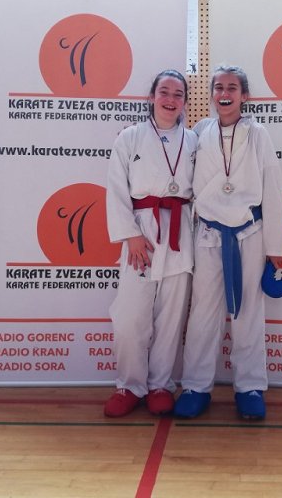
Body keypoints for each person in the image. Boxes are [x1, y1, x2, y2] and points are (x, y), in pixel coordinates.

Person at [174, 65, 282, 421]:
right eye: (219, 87)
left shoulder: (258, 134)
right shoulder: (199, 132)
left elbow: (272, 185)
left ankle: (250, 387)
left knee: (249, 311)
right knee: (203, 312)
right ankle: (195, 386)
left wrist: (277, 245)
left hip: (248, 232)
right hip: (209, 233)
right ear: (211, 94)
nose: (224, 94)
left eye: (232, 88)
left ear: (244, 95)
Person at [104, 69, 198, 417]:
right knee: (130, 316)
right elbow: (116, 188)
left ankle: (160, 384)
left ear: (185, 102)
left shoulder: (194, 141)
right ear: (152, 97)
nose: (170, 100)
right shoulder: (130, 137)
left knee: (171, 316)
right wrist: (130, 234)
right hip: (141, 230)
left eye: (178, 94)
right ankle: (129, 385)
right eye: (164, 92)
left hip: (180, 232)